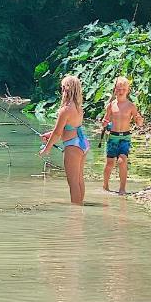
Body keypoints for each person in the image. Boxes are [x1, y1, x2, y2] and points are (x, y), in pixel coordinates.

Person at [40, 75, 89, 206]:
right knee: (79, 179)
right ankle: (80, 205)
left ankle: (76, 212)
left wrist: (47, 148)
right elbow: (68, 129)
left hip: (73, 146)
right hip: (83, 143)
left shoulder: (65, 109)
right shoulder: (78, 107)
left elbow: (57, 133)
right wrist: (49, 135)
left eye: (62, 88)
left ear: (66, 90)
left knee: (72, 182)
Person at [101, 77, 143, 195]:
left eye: (123, 89)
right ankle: (105, 185)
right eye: (119, 89)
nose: (121, 91)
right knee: (110, 163)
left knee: (122, 160)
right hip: (113, 136)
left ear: (127, 90)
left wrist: (139, 121)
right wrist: (104, 123)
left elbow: (138, 121)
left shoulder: (130, 105)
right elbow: (106, 119)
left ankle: (122, 188)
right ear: (115, 90)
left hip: (125, 137)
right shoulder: (111, 105)